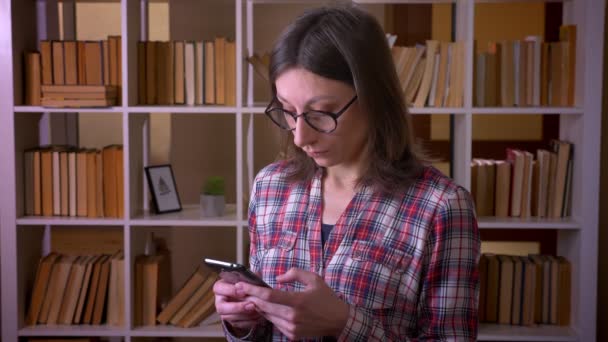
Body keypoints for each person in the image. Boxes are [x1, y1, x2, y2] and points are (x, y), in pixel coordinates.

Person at [213, 4, 480, 341]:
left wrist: (345, 324)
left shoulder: (441, 206)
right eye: (287, 111)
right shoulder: (270, 187)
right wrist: (243, 322)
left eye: (321, 113)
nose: (299, 136)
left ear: (373, 97)